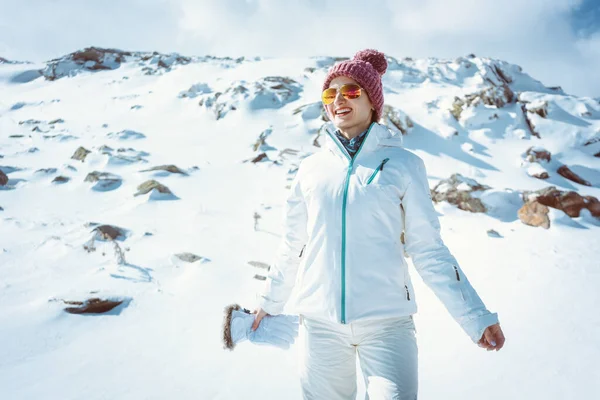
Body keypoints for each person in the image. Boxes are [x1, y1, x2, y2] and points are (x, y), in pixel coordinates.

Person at [252, 49, 505, 400]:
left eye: (352, 91)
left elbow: (427, 249)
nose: (339, 99)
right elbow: (293, 243)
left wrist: (475, 316)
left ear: (373, 102)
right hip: (319, 326)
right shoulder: (310, 169)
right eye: (331, 93)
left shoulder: (403, 164)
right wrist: (269, 302)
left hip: (388, 326)